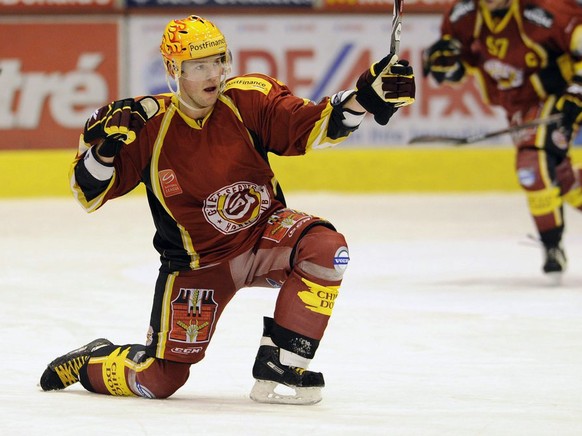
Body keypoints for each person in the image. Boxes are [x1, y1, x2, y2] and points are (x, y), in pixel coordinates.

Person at [39, 15, 415, 404]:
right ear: (173, 69)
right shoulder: (146, 124)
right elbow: (87, 194)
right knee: (159, 381)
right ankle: (91, 359)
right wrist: (104, 150)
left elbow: (309, 124)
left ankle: (282, 364)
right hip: (197, 265)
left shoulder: (247, 98)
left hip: (262, 237)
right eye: (198, 65)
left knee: (326, 249)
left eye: (218, 60)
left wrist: (362, 99)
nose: (213, 73)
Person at [422, 0, 582, 283]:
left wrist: (577, 90)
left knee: (532, 165)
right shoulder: (464, 14)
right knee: (559, 177)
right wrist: (445, 62)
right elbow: (455, 60)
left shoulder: (547, 9)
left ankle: (551, 244)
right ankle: (552, 242)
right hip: (517, 107)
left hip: (559, 95)